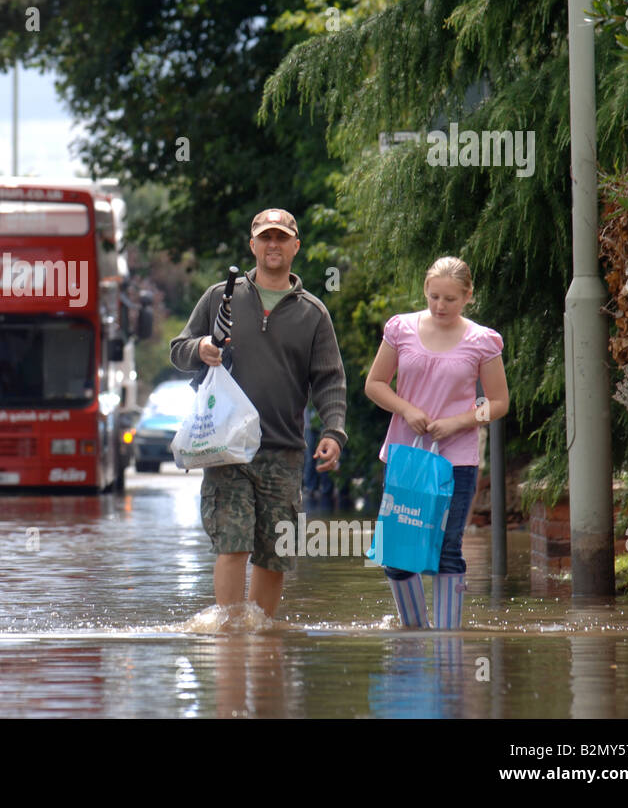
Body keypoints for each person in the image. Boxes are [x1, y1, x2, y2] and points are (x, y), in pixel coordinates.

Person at [170, 208, 347, 618]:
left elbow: (330, 380)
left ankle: (262, 635)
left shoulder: (313, 313)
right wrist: (201, 349)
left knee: (274, 554)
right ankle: (231, 634)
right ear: (252, 245)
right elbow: (178, 350)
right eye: (265, 237)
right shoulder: (220, 296)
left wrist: (333, 433)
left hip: (284, 451)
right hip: (226, 449)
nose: (273, 245)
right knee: (233, 543)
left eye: (281, 238)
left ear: (295, 247)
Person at [363, 256, 509, 629]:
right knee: (396, 554)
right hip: (406, 457)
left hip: (456, 461)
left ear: (468, 296)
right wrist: (408, 410)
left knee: (447, 550)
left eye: (450, 299)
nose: (440, 306)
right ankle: (413, 634)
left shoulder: (482, 341)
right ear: (425, 292)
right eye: (434, 297)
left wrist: (458, 422)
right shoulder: (401, 329)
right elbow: (375, 384)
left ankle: (447, 644)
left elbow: (498, 402)